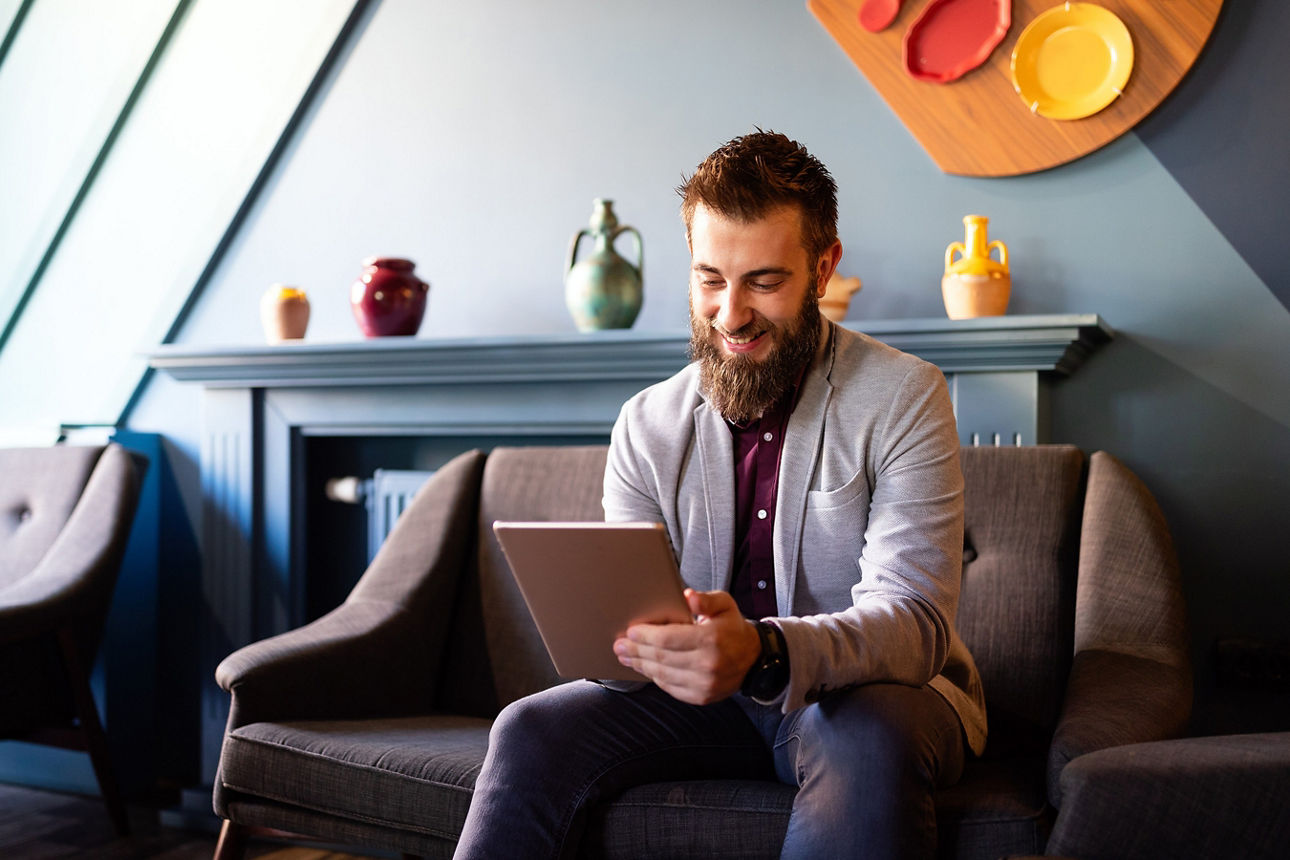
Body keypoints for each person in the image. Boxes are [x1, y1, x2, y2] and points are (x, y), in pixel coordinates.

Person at [454, 131, 986, 859]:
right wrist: (638, 645)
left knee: (859, 730)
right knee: (527, 727)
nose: (730, 314)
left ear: (823, 267)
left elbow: (915, 621)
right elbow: (627, 628)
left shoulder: (904, 395)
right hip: (699, 704)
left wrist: (764, 652)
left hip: (868, 695)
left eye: (763, 282)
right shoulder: (645, 423)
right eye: (710, 279)